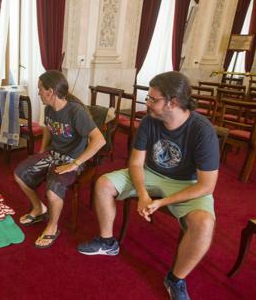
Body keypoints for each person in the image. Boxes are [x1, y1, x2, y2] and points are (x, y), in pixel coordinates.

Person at [77, 71, 219, 300]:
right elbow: (135, 162)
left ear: (173, 102)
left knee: (204, 224)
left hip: (186, 182)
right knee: (103, 184)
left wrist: (162, 202)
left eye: (153, 99)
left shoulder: (202, 131)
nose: (148, 103)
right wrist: (143, 195)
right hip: (149, 173)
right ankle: (107, 241)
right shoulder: (149, 121)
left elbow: (206, 186)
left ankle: (175, 278)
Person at [14, 70, 106, 248]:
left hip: (72, 160)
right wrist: (40, 151)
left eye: (40, 89)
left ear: (51, 91)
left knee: (52, 190)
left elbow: (99, 140)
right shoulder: (49, 108)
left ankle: (52, 226)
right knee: (19, 174)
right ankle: (39, 208)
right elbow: (49, 129)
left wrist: (75, 164)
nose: (38, 92)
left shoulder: (75, 112)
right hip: (52, 154)